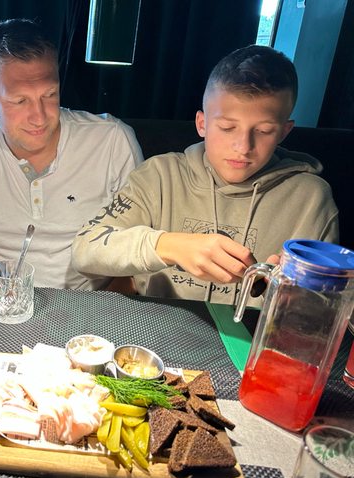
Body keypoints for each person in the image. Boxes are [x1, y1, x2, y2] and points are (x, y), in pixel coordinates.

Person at [71, 45, 339, 305]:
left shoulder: (310, 197)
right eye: (227, 128)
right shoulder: (160, 175)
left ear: (284, 132)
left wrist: (295, 298)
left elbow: (326, 302)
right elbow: (85, 250)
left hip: (252, 332)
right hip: (156, 325)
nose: (243, 147)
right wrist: (169, 245)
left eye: (264, 131)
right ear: (202, 123)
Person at [0, 18, 143, 290]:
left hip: (96, 302)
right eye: (20, 100)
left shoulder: (113, 141)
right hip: (12, 301)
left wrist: (100, 313)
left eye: (49, 95)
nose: (39, 117)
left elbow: (135, 263)